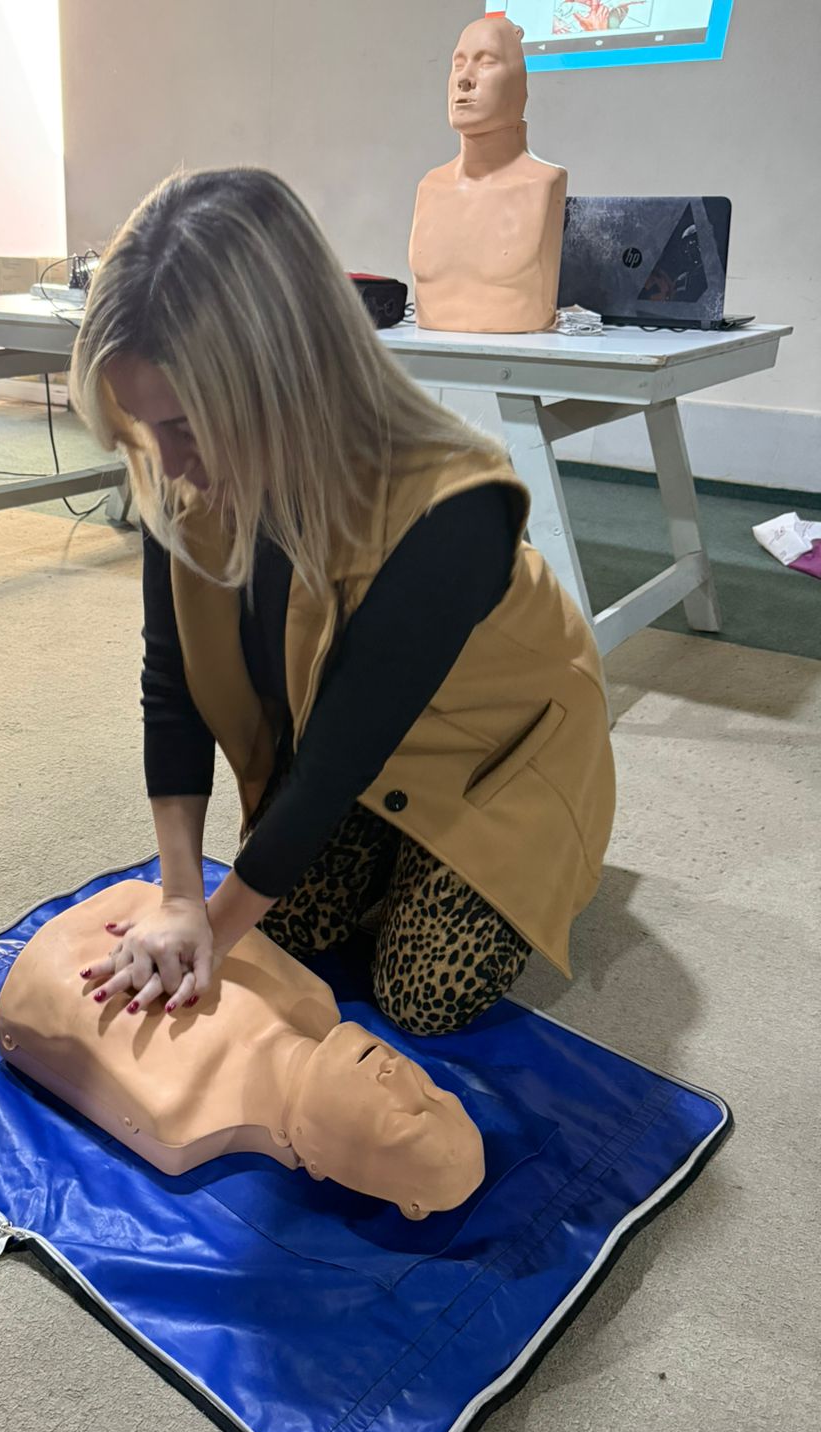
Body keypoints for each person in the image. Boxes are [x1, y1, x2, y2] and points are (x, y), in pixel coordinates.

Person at [70, 167, 615, 1038]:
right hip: (349, 737)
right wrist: (179, 898)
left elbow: (335, 764)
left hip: (498, 751)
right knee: (288, 926)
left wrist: (213, 932)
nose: (166, 465)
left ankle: (520, 849)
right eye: (145, 428)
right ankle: (388, 852)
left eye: (181, 427)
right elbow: (170, 684)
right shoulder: (183, 475)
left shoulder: (453, 507)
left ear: (279, 374)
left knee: (423, 994)